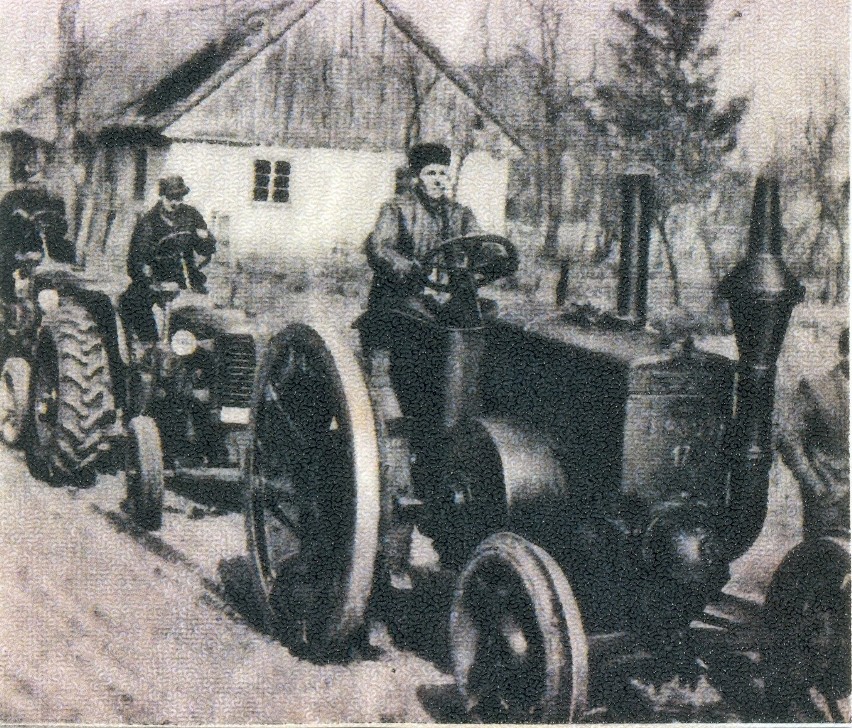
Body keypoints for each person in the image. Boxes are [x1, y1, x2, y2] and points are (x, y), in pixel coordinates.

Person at [363, 142, 481, 326]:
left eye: (443, 173)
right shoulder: (396, 208)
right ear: (417, 177)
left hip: (447, 292)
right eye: (430, 173)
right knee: (412, 320)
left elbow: (477, 241)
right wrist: (408, 267)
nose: (438, 180)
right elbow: (381, 247)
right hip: (403, 293)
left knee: (482, 317)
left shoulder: (460, 213)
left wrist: (494, 255)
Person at [119, 175, 215, 344]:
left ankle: (196, 350)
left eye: (179, 198)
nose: (175, 202)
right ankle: (149, 348)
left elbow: (206, 249)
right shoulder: (148, 222)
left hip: (184, 278)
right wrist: (150, 281)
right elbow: (135, 261)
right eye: (170, 198)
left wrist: (205, 239)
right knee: (135, 304)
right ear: (162, 196)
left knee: (204, 312)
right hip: (154, 280)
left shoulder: (191, 215)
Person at [776, 326, 850, 540]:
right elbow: (787, 438)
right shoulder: (816, 389)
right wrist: (816, 485)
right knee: (826, 564)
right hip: (829, 499)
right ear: (846, 351)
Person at [0, 153, 74, 303]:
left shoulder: (54, 202)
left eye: (41, 183)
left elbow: (62, 229)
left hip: (43, 251)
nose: (37, 186)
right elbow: (4, 229)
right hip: (15, 251)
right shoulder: (12, 198)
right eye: (33, 183)